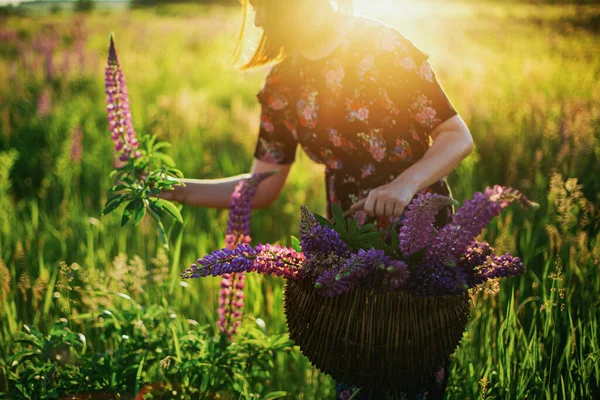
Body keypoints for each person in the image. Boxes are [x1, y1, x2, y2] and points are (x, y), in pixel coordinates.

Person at [160, 0, 474, 398]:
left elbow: (456, 135)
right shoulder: (282, 84)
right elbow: (263, 184)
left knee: (414, 369)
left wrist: (403, 186)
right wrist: (178, 188)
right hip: (345, 244)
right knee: (353, 365)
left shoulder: (382, 45)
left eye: (261, 6)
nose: (256, 19)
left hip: (418, 234)